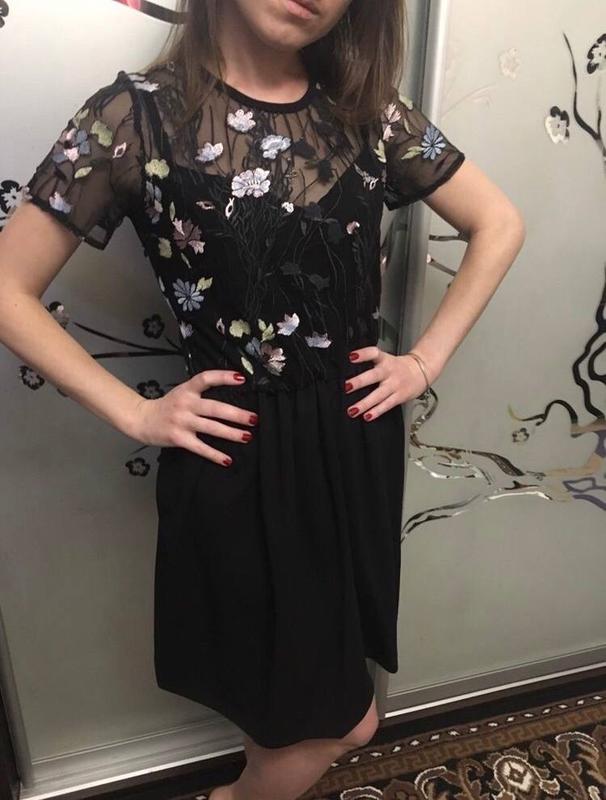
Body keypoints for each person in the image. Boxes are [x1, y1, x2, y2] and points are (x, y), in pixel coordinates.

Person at [0, 0, 525, 798]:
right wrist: (135, 412)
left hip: (353, 447)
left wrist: (423, 362)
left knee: (294, 708)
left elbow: (499, 222)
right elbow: (8, 287)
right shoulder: (134, 115)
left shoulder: (368, 112)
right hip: (241, 459)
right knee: (333, 720)